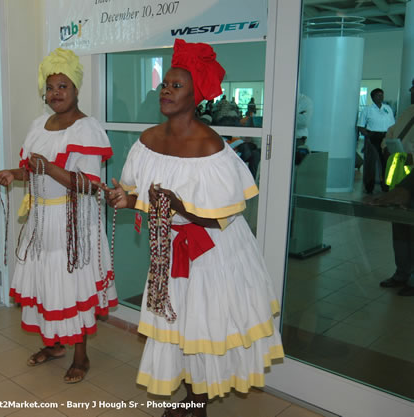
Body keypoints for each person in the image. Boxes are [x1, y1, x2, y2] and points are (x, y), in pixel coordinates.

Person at [102, 39, 283, 417]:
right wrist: (125, 199)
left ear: (195, 95)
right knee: (178, 323)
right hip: (170, 248)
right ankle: (190, 395)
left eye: (176, 86)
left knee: (202, 324)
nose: (165, 91)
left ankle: (198, 403)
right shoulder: (148, 141)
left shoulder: (210, 146)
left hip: (212, 252)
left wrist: (180, 207)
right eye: (164, 84)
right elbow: (147, 201)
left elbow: (220, 216)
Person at [0, 48, 118, 383]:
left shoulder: (87, 129)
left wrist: (49, 168)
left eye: (63, 86)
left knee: (72, 287)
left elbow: (90, 186)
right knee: (47, 286)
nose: (56, 93)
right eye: (50, 88)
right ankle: (54, 344)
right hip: (40, 221)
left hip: (73, 224)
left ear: (76, 89)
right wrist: (12, 173)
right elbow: (32, 172)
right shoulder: (38, 125)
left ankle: (81, 356)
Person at [375, 78, 414, 297]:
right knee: (399, 228)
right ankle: (401, 273)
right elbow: (391, 133)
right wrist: (388, 145)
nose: (411, 90)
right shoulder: (408, 111)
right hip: (399, 176)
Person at [358, 88, 396, 193]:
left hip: (386, 137)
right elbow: (361, 126)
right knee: (371, 162)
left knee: (386, 161)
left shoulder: (387, 108)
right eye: (378, 95)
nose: (381, 97)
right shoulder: (367, 110)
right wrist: (368, 135)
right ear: (373, 97)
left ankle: (386, 185)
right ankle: (369, 186)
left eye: (382, 95)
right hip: (373, 136)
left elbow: (393, 125)